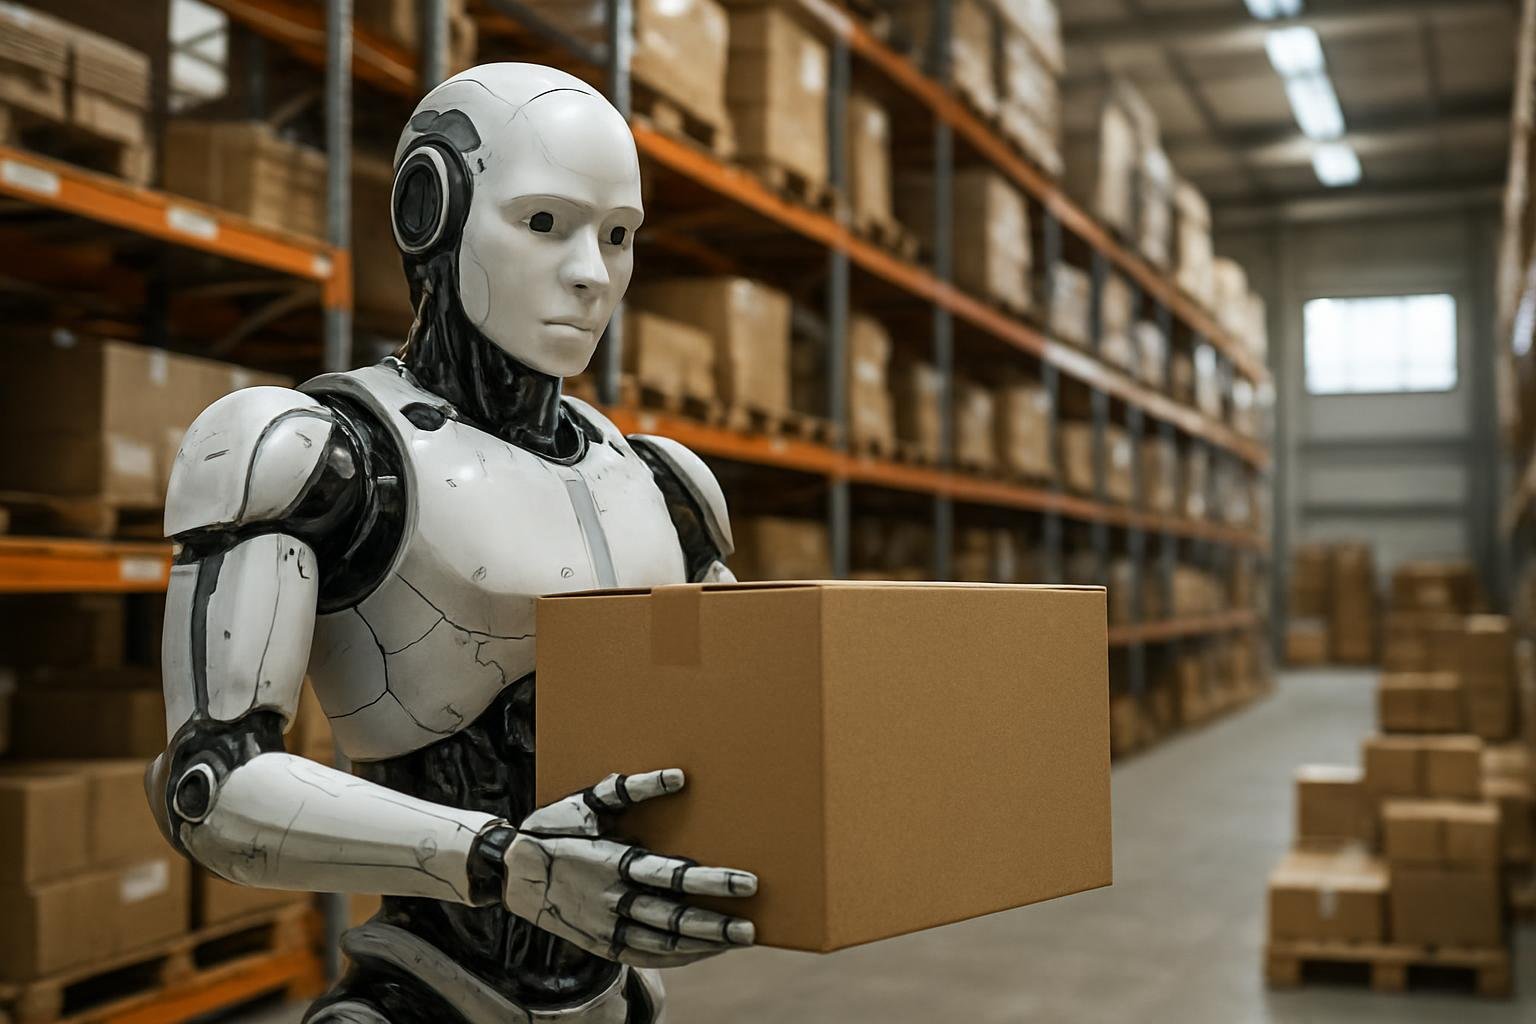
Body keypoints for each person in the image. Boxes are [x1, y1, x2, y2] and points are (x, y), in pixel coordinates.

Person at [147, 63, 756, 1024]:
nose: (592, 275)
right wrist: (500, 861)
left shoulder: (663, 485)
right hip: (425, 991)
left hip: (621, 992)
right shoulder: (320, 456)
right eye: (544, 224)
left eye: (618, 235)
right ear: (432, 206)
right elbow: (210, 787)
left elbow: (746, 726)